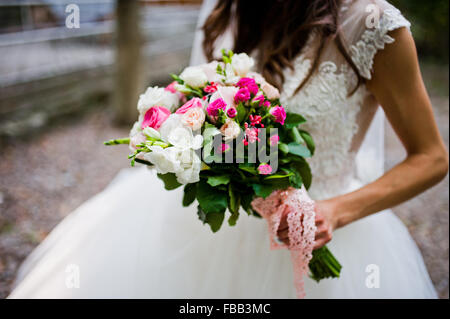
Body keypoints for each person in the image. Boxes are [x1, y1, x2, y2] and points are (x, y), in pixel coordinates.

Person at [9, 0, 447, 298]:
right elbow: (200, 102)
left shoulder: (373, 25)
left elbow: (432, 157)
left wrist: (336, 210)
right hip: (215, 226)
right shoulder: (230, 9)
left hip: (321, 228)